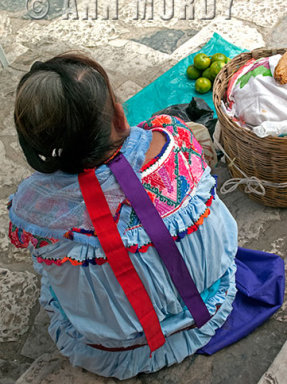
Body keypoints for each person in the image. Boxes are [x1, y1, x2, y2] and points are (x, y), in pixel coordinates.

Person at [8, 52, 239, 380]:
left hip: (113, 347)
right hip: (210, 302)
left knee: (49, 255)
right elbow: (194, 154)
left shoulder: (30, 206)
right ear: (119, 117)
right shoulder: (172, 139)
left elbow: (30, 244)